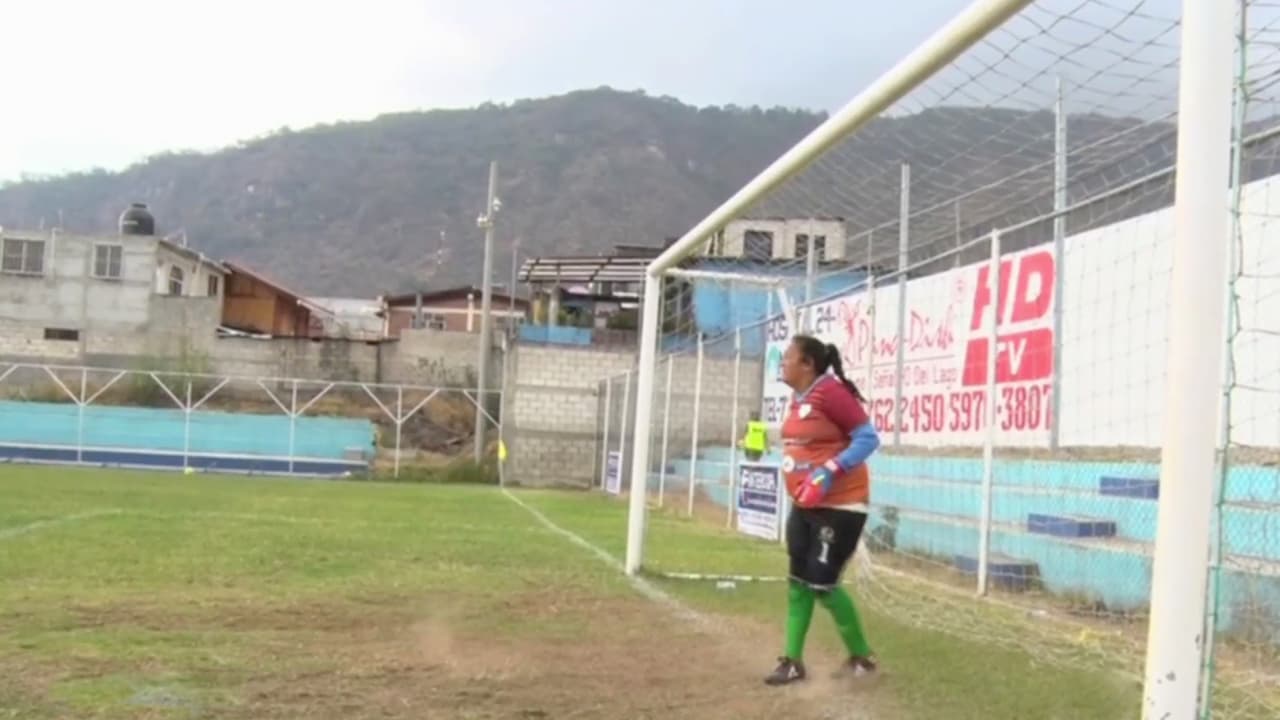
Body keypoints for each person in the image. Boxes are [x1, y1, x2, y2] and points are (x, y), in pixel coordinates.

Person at [764, 334, 879, 686]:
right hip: (804, 505)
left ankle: (862, 657)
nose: (782, 363)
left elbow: (868, 438)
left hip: (840, 505)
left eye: (788, 357)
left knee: (822, 585)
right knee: (798, 582)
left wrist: (828, 471)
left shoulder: (830, 392)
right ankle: (792, 662)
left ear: (807, 364)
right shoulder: (797, 399)